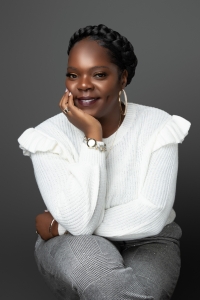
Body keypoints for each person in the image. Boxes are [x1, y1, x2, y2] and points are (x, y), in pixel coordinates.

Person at [18, 24, 191, 300]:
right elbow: (82, 227)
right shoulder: (47, 136)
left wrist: (60, 225)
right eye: (73, 75)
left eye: (98, 74)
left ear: (122, 79)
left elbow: (153, 215)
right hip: (75, 242)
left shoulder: (158, 125)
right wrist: (93, 136)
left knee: (123, 294)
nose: (83, 85)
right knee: (111, 288)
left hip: (150, 240)